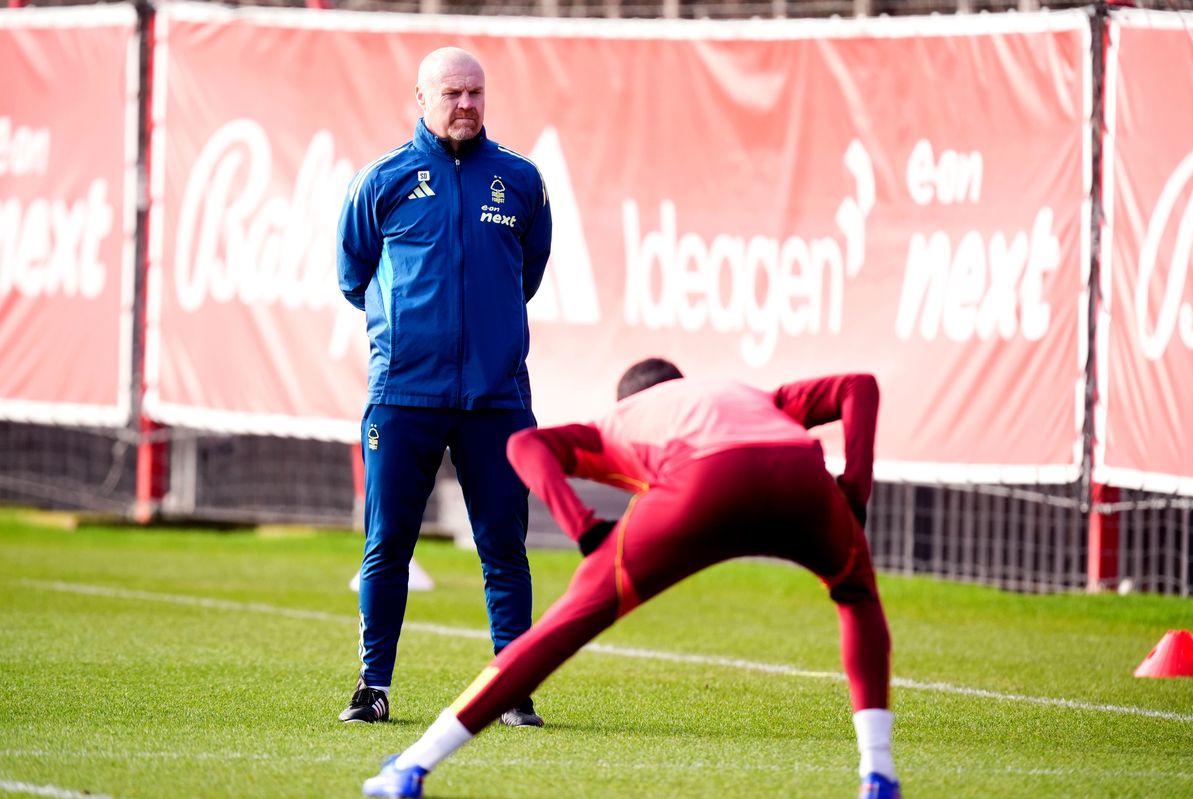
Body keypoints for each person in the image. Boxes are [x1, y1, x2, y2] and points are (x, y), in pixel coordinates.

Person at [362, 358, 901, 798]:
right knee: (857, 596)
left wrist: (585, 527)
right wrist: (854, 492)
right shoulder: (747, 394)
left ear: (629, 399)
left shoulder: (619, 421)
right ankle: (877, 773)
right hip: (798, 476)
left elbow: (524, 447)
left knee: (558, 631)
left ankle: (410, 768)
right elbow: (859, 386)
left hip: (699, 485)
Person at [335, 46, 552, 727]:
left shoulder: (520, 180)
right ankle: (373, 686)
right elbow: (353, 272)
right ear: (421, 97)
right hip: (404, 394)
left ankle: (512, 690)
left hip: (496, 398)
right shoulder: (383, 181)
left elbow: (529, 271)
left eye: (476, 93)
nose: (466, 105)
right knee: (388, 541)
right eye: (452, 93)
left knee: (503, 545)